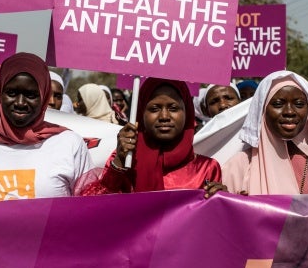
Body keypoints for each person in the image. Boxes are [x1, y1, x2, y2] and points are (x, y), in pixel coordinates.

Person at [82, 77, 224, 196]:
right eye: (154, 109)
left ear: (187, 113)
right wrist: (118, 165)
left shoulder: (207, 169)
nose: (164, 116)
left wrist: (222, 200)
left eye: (173, 108)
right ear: (141, 113)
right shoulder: (126, 159)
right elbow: (95, 208)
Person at [222, 70, 308, 195]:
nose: (289, 112)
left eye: (299, 104)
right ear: (262, 110)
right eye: (278, 104)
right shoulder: (240, 166)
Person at [0, 53, 92, 200]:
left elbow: (90, 204)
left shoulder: (70, 144)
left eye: (31, 95)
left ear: (44, 96)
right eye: (12, 93)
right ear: (0, 94)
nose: (20, 103)